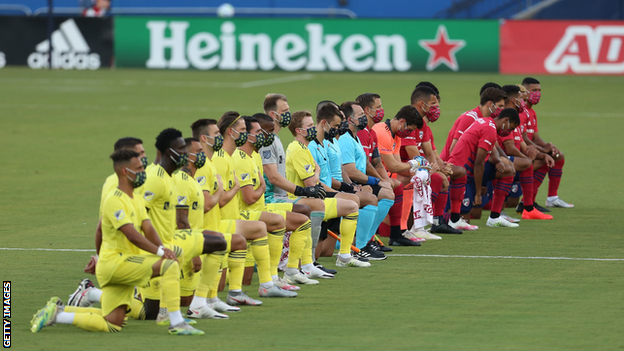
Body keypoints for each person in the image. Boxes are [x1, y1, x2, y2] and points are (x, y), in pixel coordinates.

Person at [32, 149, 207, 335]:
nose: (143, 172)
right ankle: (176, 322)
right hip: (116, 264)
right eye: (139, 168)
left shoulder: (135, 199)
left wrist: (163, 247)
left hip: (121, 263)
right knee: (169, 265)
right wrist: (161, 253)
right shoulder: (114, 200)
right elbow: (132, 234)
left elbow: (148, 229)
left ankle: (57, 314)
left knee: (113, 324)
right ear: (125, 172)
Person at [190, 118, 296, 308]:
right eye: (243, 130)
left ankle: (261, 284)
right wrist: (234, 189)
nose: (247, 134)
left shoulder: (226, 158)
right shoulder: (218, 161)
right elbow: (217, 201)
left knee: (259, 230)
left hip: (227, 221)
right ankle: (217, 297)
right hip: (215, 224)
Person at [234, 116, 327, 285]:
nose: (267, 135)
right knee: (238, 281)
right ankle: (278, 274)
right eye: (262, 132)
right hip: (251, 211)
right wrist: (263, 188)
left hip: (261, 207)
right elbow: (249, 197)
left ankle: (291, 270)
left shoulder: (254, 155)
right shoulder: (241, 159)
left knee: (302, 218)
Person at [259, 95, 336, 276]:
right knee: (311, 207)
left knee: (310, 208)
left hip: (281, 197)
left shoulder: (276, 139)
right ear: (273, 114)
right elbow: (274, 177)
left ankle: (304, 264)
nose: (288, 114)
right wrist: (301, 190)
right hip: (270, 198)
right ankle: (299, 264)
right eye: (285, 111)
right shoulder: (268, 142)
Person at [286, 111, 370, 268]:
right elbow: (312, 182)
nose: (313, 128)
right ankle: (308, 263)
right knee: (346, 202)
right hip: (300, 199)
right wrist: (317, 172)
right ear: (299, 130)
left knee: (351, 206)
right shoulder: (298, 149)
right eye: (310, 126)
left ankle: (344, 256)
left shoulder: (304, 148)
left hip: (315, 196)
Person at [309, 103, 386, 261]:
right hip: (325, 192)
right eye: (338, 123)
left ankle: (352, 243)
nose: (340, 126)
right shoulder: (314, 145)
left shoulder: (330, 142)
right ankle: (358, 247)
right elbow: (323, 178)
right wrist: (345, 188)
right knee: (359, 200)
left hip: (333, 189)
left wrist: (351, 185)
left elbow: (340, 170)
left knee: (326, 252)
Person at [447, 109, 521, 230]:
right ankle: (444, 220)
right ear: (505, 120)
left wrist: (497, 161)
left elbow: (488, 153)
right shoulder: (489, 130)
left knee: (507, 171)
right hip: (462, 168)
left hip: (467, 166)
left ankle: (495, 217)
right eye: (511, 128)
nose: (509, 132)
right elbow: (479, 162)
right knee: (465, 213)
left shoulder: (487, 122)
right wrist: (478, 193)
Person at [339, 101, 397, 252]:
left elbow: (366, 163)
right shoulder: (345, 140)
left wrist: (382, 181)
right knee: (378, 195)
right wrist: (375, 181)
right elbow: (350, 171)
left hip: (358, 182)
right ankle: (360, 245)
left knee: (387, 193)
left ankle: (367, 239)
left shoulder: (356, 138)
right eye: (361, 115)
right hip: (350, 184)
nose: (365, 118)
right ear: (350, 120)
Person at [403, 84, 459, 237]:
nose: (437, 109)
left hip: (417, 167)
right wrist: (434, 170)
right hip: (404, 167)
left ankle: (434, 222)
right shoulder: (408, 122)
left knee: (439, 177)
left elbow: (429, 153)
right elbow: (414, 155)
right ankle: (416, 227)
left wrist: (441, 168)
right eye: (434, 104)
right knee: (433, 178)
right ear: (423, 104)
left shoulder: (424, 127)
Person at [371, 105, 425, 246]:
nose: (409, 133)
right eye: (409, 129)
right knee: (397, 185)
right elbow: (393, 166)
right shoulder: (382, 132)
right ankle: (381, 232)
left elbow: (398, 166)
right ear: (402, 122)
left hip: (383, 175)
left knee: (412, 180)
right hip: (371, 176)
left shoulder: (396, 135)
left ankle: (398, 233)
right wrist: (415, 164)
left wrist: (423, 170)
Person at [355, 93, 405, 243]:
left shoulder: (372, 133)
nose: (382, 110)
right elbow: (365, 164)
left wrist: (385, 180)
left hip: (366, 178)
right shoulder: (362, 133)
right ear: (366, 110)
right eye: (378, 107)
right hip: (358, 179)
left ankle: (371, 237)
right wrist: (380, 181)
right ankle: (364, 240)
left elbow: (376, 162)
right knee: (387, 193)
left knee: (392, 187)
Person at [499, 85, 553, 220]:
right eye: (520, 99)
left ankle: (528, 206)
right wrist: (528, 158)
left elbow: (523, 144)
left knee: (543, 161)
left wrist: (543, 155)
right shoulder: (505, 118)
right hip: (500, 161)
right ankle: (522, 208)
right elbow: (510, 148)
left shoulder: (515, 117)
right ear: (513, 100)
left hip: (512, 161)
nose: (523, 102)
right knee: (527, 164)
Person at [522, 77, 573, 209]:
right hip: (521, 152)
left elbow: (535, 137)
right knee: (547, 158)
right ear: (524, 92)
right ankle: (528, 201)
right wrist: (544, 151)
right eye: (534, 90)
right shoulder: (521, 111)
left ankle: (552, 198)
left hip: (529, 150)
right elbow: (523, 139)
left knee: (557, 155)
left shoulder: (532, 112)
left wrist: (549, 146)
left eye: (539, 90)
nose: (537, 93)